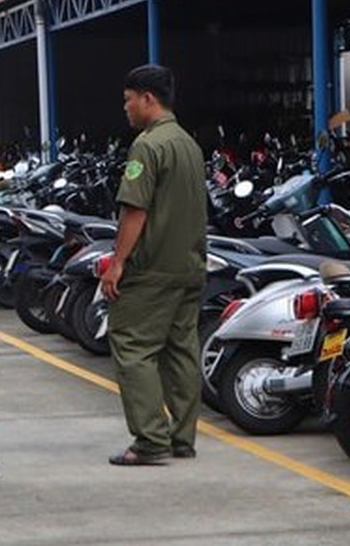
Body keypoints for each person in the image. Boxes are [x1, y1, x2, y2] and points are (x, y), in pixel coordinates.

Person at [100, 64, 207, 466]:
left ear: (148, 99)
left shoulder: (147, 146)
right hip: (189, 267)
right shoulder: (188, 144)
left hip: (153, 269)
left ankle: (150, 440)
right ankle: (182, 437)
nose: (125, 109)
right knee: (181, 350)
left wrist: (117, 263)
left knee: (133, 346)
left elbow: (135, 212)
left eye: (128, 101)